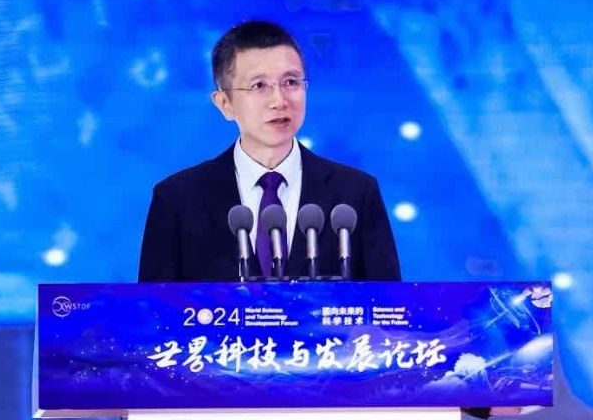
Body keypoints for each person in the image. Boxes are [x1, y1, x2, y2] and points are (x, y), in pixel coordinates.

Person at [137, 20, 402, 282]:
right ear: (225, 103)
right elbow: (152, 306)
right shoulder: (177, 199)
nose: (279, 100)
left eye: (291, 82)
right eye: (259, 86)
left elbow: (389, 303)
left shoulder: (356, 194)